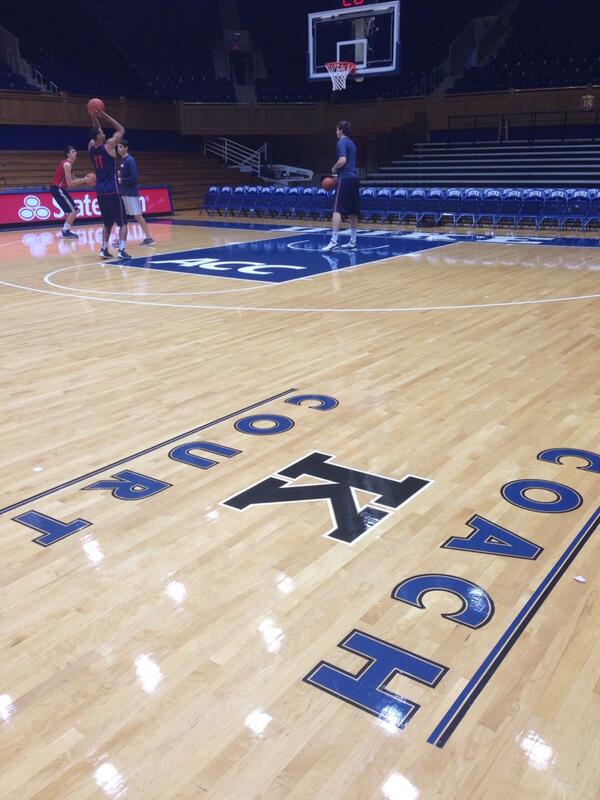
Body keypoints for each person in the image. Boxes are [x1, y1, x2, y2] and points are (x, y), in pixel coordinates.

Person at [88, 109, 131, 259]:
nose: (103, 133)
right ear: (99, 136)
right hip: (113, 190)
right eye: (101, 132)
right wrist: (104, 115)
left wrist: (93, 117)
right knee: (123, 223)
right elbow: (121, 129)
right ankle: (122, 250)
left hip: (100, 191)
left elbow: (95, 131)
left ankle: (104, 249)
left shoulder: (91, 148)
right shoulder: (109, 146)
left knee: (107, 223)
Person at [322, 120, 360, 251]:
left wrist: (334, 168)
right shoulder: (352, 143)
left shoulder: (341, 142)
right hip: (355, 177)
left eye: (337, 130)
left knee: (336, 209)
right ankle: (353, 241)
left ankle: (333, 240)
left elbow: (343, 160)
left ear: (341, 130)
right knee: (353, 211)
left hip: (345, 178)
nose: (336, 132)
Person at [116, 141, 155, 245]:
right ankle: (119, 239)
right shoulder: (123, 160)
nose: (118, 149)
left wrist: (121, 180)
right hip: (124, 192)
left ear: (126, 148)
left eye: (120, 147)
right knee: (121, 216)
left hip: (131, 193)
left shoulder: (130, 160)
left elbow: (134, 177)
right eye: (117, 147)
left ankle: (149, 238)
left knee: (137, 216)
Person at [50, 146, 90, 239]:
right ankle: (65, 232)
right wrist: (84, 180)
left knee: (74, 210)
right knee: (74, 210)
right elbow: (70, 183)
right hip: (57, 188)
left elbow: (74, 179)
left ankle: (65, 231)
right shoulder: (67, 165)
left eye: (75, 151)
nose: (75, 153)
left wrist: (85, 180)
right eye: (73, 151)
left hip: (58, 189)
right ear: (68, 154)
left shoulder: (69, 165)